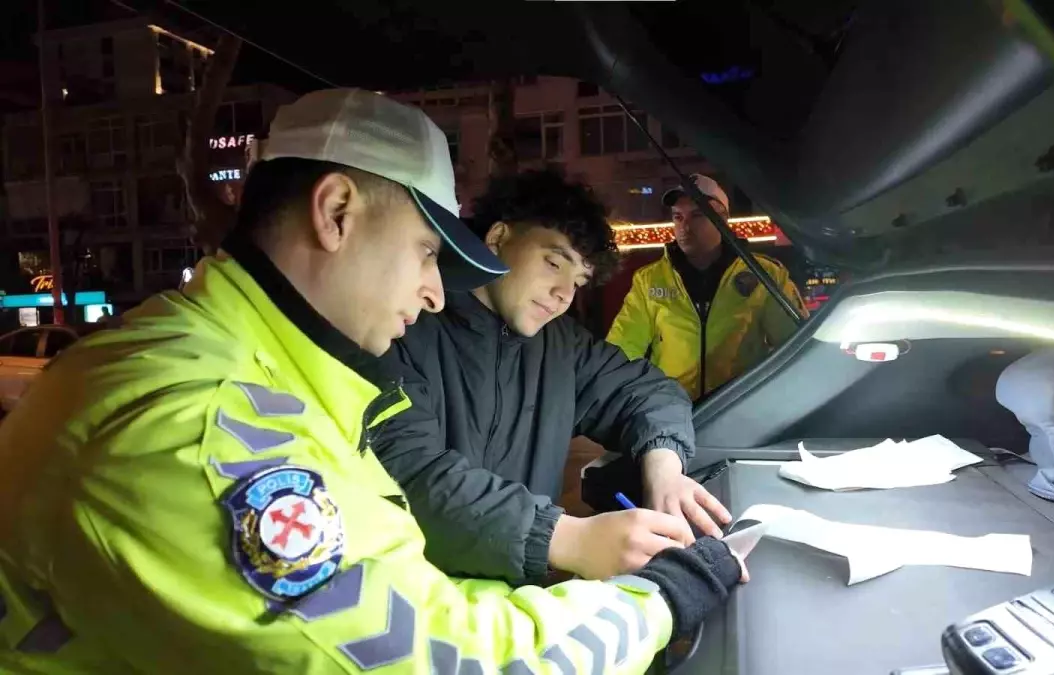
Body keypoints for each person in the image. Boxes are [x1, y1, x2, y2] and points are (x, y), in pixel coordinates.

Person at [0, 90, 746, 674]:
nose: (431, 293)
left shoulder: (270, 370)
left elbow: (408, 594)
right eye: (426, 252)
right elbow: (434, 658)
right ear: (336, 213)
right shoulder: (203, 428)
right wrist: (653, 599)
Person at [374, 169, 733, 586]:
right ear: (497, 239)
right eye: (552, 263)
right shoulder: (402, 327)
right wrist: (570, 539)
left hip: (519, 607)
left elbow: (648, 391)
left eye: (578, 280)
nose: (565, 293)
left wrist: (665, 470)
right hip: (411, 603)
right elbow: (412, 477)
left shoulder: (561, 347)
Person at [607, 174, 809, 401]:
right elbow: (622, 350)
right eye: (678, 217)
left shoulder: (765, 275)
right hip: (671, 413)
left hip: (738, 410)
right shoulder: (649, 279)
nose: (684, 226)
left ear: (723, 219)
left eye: (697, 215)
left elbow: (796, 346)